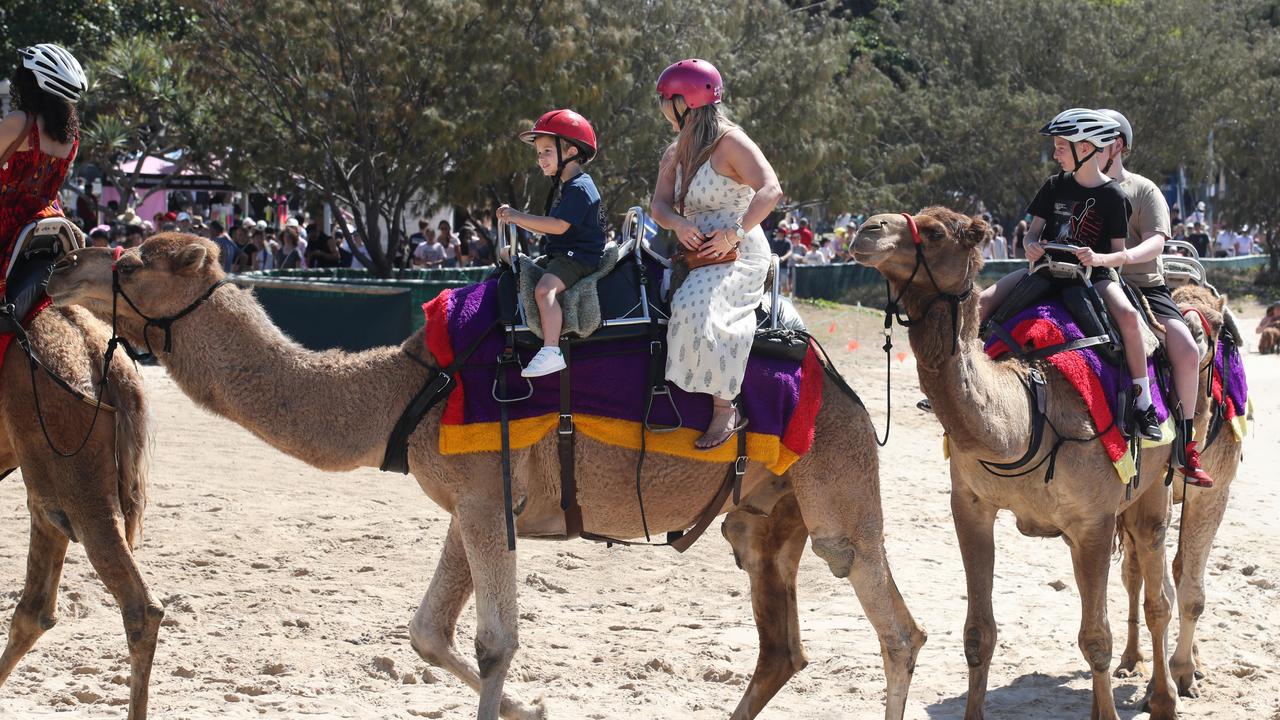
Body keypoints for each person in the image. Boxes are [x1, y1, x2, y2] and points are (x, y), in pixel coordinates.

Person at [978, 107, 1161, 441]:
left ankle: (1143, 402)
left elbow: (1117, 256)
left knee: (1130, 317)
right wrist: (1032, 246)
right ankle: (967, 376)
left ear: (1087, 148)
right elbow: (1032, 234)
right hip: (1046, 270)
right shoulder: (1052, 186)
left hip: (1093, 278)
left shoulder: (1113, 196)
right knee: (983, 301)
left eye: (1062, 145)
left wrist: (1098, 258)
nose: (1055, 152)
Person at [650, 58, 783, 449]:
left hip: (739, 249)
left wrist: (734, 232)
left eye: (665, 100)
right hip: (696, 251)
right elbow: (658, 205)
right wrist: (678, 224)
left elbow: (770, 189)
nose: (662, 108)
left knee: (696, 306)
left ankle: (727, 409)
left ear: (684, 102)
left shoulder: (730, 142)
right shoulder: (675, 152)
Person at [1096, 108, 1214, 485]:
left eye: (1096, 137)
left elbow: (1158, 242)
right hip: (1088, 281)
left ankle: (1186, 445)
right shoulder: (1072, 186)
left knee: (1185, 347)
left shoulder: (1144, 189)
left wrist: (1124, 257)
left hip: (1142, 284)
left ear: (1117, 146)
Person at [496, 108, 605, 378]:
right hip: (564, 252)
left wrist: (517, 217)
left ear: (569, 152)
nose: (540, 159)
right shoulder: (568, 186)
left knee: (544, 291)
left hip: (577, 257)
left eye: (546, 151)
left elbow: (558, 226)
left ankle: (551, 350)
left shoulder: (579, 187)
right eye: (538, 153)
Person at [0, 44, 86, 275]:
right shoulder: (72, 139)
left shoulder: (18, 121)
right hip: (48, 223)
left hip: (7, 226)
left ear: (31, 83)